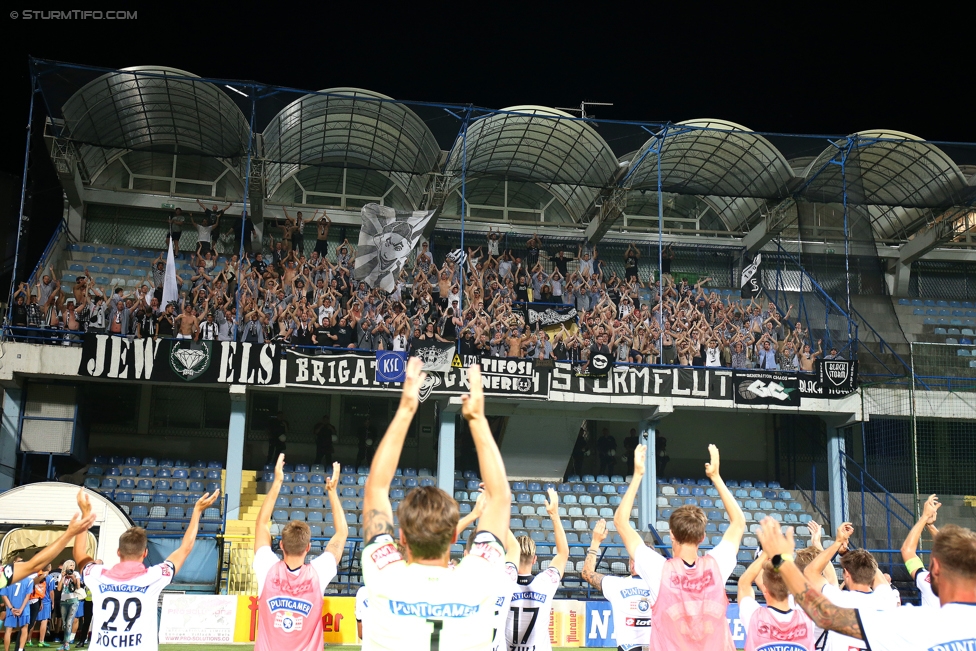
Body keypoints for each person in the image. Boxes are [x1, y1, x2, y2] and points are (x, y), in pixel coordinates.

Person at [360, 360, 511, 650]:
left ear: (401, 538)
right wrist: (477, 419)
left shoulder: (384, 576)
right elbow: (501, 497)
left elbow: (376, 487)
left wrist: (406, 410)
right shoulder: (477, 578)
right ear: (455, 536)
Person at [754, 516, 976, 651]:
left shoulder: (914, 623)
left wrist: (781, 561)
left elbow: (824, 614)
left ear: (935, 568)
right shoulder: (889, 601)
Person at [615, 444, 744, 651]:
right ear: (702, 537)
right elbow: (738, 522)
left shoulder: (659, 569)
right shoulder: (717, 566)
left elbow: (621, 521)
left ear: (671, 534)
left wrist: (638, 474)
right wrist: (716, 477)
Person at [73, 487, 219, 651]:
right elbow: (185, 548)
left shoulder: (97, 575)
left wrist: (85, 516)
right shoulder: (154, 577)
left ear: (118, 551)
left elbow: (79, 553)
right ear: (145, 553)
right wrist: (197, 511)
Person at [252, 455, 347, 651]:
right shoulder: (318, 574)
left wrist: (277, 481)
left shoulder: (267, 568)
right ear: (308, 547)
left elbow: (261, 524)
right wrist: (332, 492)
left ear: (281, 544)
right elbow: (342, 533)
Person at [799, 522, 896, 651]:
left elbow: (810, 571)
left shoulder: (837, 600)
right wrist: (849, 555)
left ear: (847, 574)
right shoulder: (887, 600)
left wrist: (838, 542)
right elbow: (877, 576)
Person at [505, 488, 568, 651]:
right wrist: (554, 515)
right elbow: (563, 554)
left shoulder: (502, 583)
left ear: (511, 556)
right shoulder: (545, 583)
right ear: (534, 559)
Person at [581, 519, 652, 651]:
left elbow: (587, 572)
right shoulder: (663, 586)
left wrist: (595, 542)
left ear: (630, 562)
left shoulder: (618, 585)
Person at [737, 551, 815, 651]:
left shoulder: (754, 616)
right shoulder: (808, 618)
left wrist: (765, 552)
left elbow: (744, 583)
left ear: (764, 588)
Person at [900, 493, 941, 608]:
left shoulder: (929, 582)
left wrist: (924, 518)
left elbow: (907, 550)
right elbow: (950, 549)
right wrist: (930, 525)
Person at [55, 560, 83, 650]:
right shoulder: (61, 575)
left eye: (73, 565)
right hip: (63, 600)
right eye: (70, 565)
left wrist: (72, 577)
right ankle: (65, 643)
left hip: (73, 600)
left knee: (69, 622)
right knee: (64, 623)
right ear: (66, 566)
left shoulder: (76, 574)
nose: (72, 567)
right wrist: (63, 577)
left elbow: (78, 586)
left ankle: (66, 644)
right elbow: (59, 589)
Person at [3, 571, 35, 651]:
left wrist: (11, 608)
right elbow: (27, 596)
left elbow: (4, 595)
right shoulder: (29, 580)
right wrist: (21, 609)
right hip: (24, 608)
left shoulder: (7, 580)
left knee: (8, 630)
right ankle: (20, 649)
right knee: (24, 628)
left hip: (11, 608)